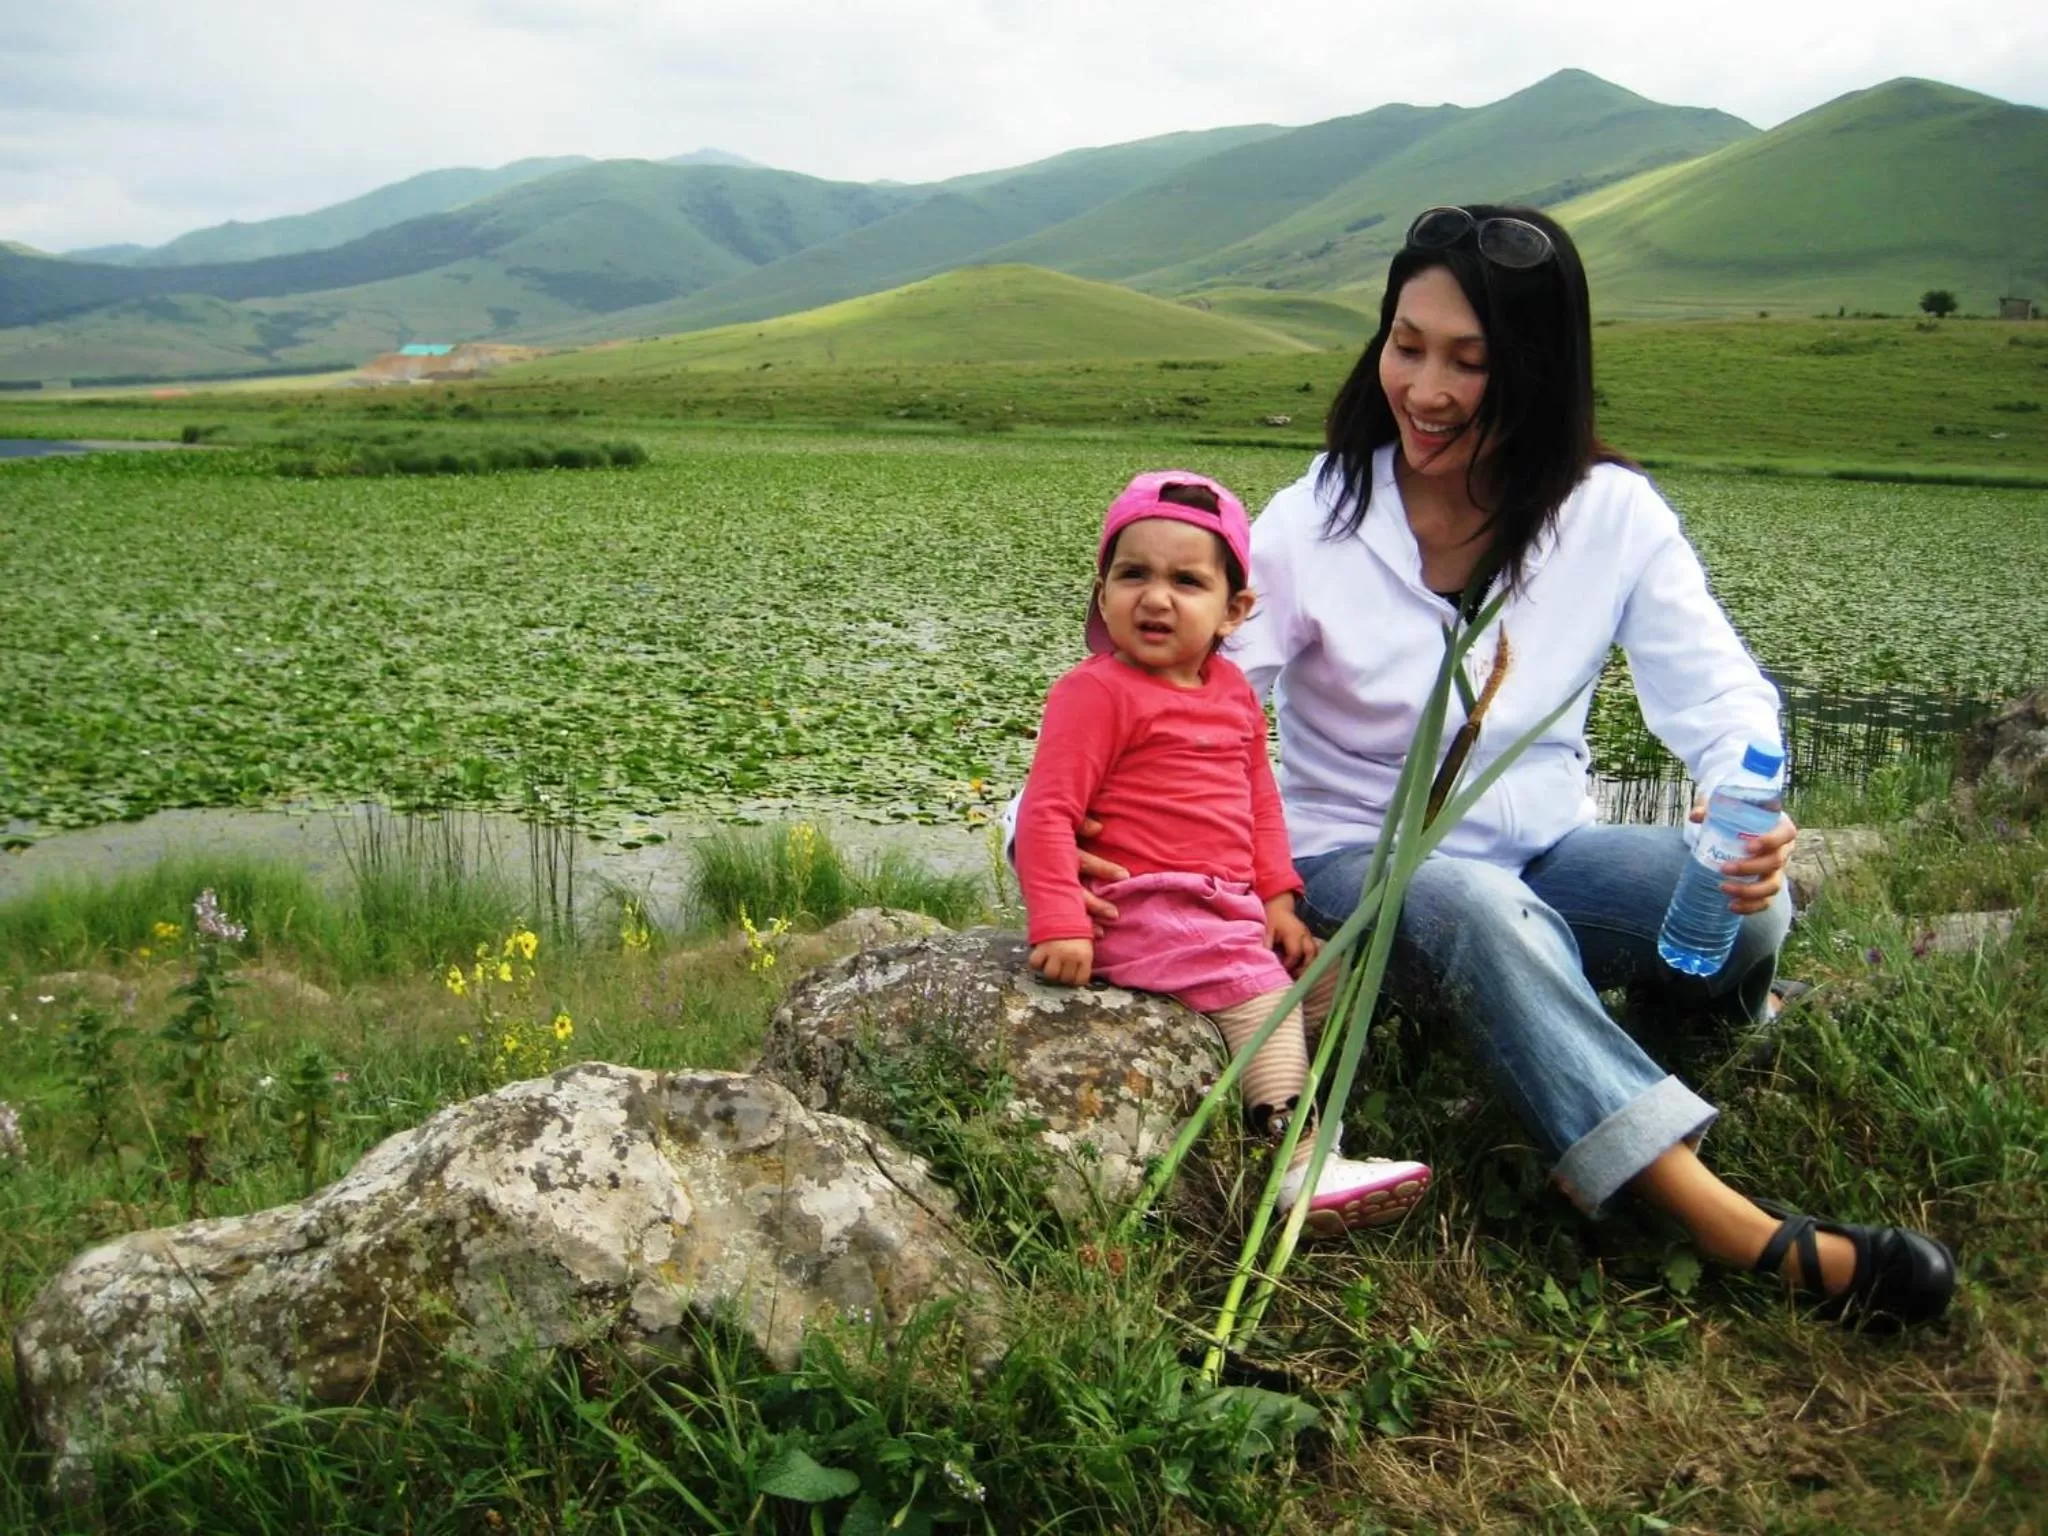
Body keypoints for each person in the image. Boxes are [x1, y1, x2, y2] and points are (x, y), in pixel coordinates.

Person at [1072, 207, 1954, 1329]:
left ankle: (1622, 1034)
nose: (1423, 389)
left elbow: (1720, 692)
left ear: (1535, 368)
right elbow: (1163, 698)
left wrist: (1743, 795)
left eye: (1467, 361)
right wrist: (1056, 835)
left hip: (1544, 853)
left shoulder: (1607, 514)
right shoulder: (1318, 519)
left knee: (1745, 915)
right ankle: (1713, 1215)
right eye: (1405, 345)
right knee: (1481, 913)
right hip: (1349, 873)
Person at [1015, 469, 1432, 1233]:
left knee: (1325, 973)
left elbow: (1258, 802)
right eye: (1132, 573)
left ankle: (1311, 1118)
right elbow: (1048, 811)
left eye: (1187, 580)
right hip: (1140, 907)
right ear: (1102, 589)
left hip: (1222, 906)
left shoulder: (1233, 692)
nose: (1156, 597)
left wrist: (1278, 899)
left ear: (1235, 609)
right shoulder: (1094, 691)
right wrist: (1060, 919)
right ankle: (1294, 1164)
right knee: (1258, 992)